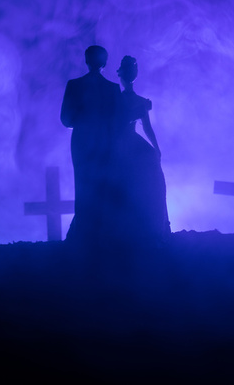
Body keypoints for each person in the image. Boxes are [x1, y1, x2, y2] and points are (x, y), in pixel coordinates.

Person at [60, 45, 121, 249]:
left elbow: (65, 119)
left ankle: (84, 237)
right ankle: (102, 235)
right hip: (105, 142)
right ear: (105, 62)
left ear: (86, 60)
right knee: (103, 185)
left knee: (83, 185)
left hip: (82, 141)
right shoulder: (112, 88)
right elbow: (117, 121)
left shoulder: (74, 85)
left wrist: (84, 121)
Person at [112, 56, 170, 248]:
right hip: (119, 143)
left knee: (153, 166)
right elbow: (118, 125)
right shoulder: (120, 100)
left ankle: (155, 224)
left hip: (129, 142)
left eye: (130, 73)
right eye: (127, 73)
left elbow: (147, 128)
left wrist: (156, 149)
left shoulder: (139, 101)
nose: (127, 77)